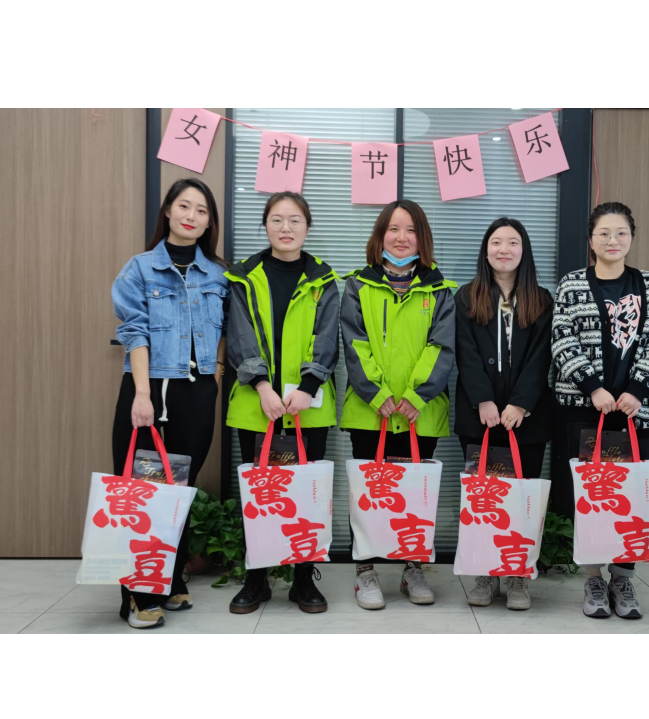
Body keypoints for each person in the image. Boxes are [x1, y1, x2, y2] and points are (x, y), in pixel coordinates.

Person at [111, 178, 230, 629]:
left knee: (181, 489)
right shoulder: (140, 269)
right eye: (184, 206)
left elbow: (225, 329)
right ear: (167, 211)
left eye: (202, 210)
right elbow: (134, 331)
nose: (192, 216)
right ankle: (137, 595)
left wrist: (215, 373)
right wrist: (142, 394)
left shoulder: (217, 274)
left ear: (209, 222)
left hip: (197, 392)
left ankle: (171, 577)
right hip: (151, 388)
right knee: (145, 493)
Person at [550, 201, 649, 620]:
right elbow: (562, 339)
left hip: (637, 414)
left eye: (621, 233)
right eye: (603, 233)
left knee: (630, 499)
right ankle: (592, 579)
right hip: (585, 411)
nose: (612, 240)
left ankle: (623, 578)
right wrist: (593, 388)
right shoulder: (572, 285)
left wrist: (637, 390)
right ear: (591, 240)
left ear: (631, 238)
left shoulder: (648, 284)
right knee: (591, 498)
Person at [224, 191, 340, 615]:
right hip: (256, 404)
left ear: (307, 227)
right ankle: (256, 579)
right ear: (265, 225)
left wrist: (308, 387)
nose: (286, 228)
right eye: (276, 219)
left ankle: (303, 580)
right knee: (260, 495)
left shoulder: (323, 279)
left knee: (307, 495)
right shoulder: (243, 276)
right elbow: (239, 334)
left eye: (295, 220)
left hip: (307, 405)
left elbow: (328, 336)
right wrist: (261, 386)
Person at [340, 199, 456, 610]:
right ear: (380, 236)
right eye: (393, 229)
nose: (401, 238)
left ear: (422, 238)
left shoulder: (440, 290)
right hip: (369, 412)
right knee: (368, 495)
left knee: (414, 496)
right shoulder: (357, 285)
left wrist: (415, 395)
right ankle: (365, 571)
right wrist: (378, 394)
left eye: (410, 230)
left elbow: (442, 346)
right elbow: (354, 343)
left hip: (419, 413)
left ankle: (412, 568)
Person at [453, 217, 554, 611]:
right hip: (479, 417)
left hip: (527, 419)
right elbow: (465, 352)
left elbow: (542, 357)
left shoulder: (541, 300)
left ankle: (517, 577)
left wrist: (521, 403)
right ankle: (484, 573)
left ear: (524, 251)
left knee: (520, 499)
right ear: (486, 250)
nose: (504, 249)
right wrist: (483, 399)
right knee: (484, 500)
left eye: (513, 242)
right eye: (496, 242)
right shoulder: (467, 297)